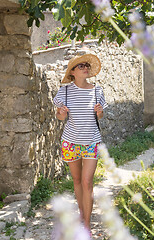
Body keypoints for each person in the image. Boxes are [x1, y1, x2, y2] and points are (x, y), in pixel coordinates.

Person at [53, 49, 108, 233]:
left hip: (91, 141)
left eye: (86, 65)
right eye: (81, 66)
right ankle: (82, 212)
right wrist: (60, 113)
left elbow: (99, 116)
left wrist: (99, 111)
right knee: (76, 180)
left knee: (87, 182)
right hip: (70, 142)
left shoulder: (97, 90)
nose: (85, 68)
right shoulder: (65, 91)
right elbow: (60, 117)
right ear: (73, 72)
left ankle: (87, 223)